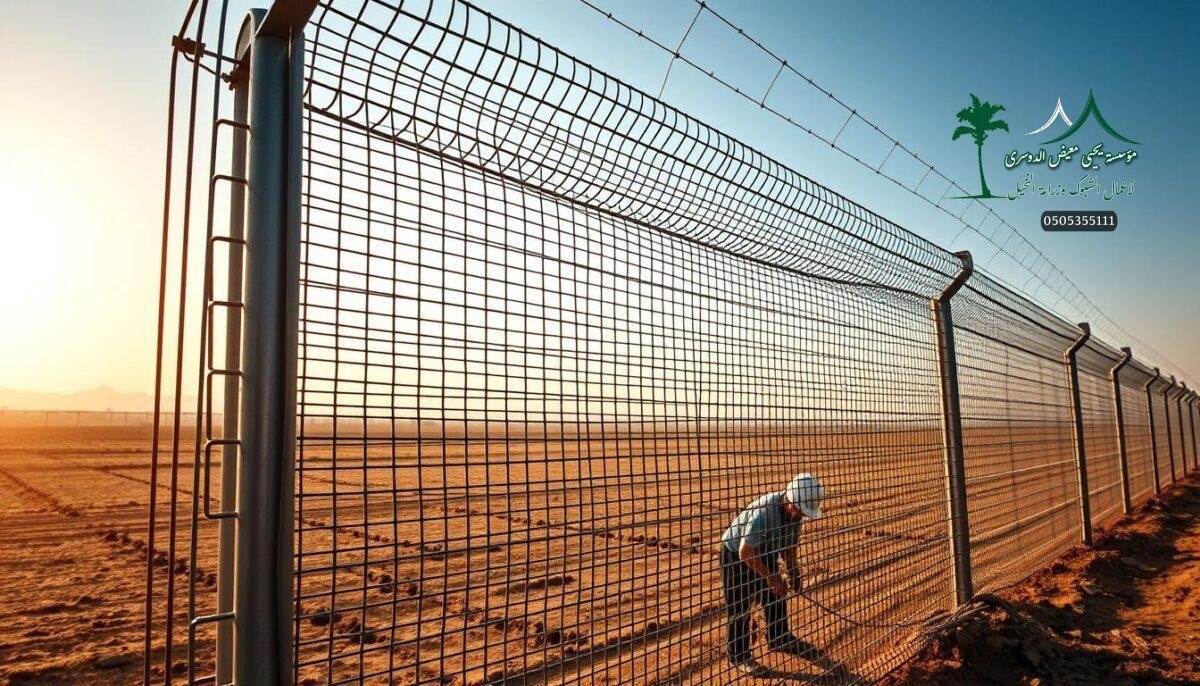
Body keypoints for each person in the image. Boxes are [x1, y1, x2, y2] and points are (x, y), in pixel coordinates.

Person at [720, 472, 824, 675]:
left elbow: (789, 548)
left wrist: (794, 574)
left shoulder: (795, 516)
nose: (801, 516)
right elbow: (745, 552)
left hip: (764, 550)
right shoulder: (764, 512)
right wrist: (772, 578)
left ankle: (779, 636)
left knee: (774, 594)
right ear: (791, 503)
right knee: (740, 606)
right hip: (736, 554)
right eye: (800, 511)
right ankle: (739, 656)